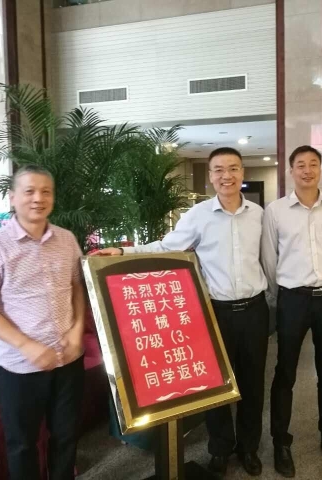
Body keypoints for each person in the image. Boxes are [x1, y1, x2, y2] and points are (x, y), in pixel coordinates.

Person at [92, 147, 269, 477]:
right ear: (211, 176)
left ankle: (249, 447)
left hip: (255, 310)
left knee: (253, 383)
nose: (226, 176)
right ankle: (220, 448)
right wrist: (122, 251)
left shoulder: (259, 214)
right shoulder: (199, 215)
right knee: (217, 385)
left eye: (233, 168)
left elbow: (268, 258)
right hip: (215, 312)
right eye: (219, 170)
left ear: (242, 172)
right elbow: (166, 246)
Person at [0, 165, 86, 480]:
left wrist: (76, 333)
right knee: (22, 445)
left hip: (67, 358)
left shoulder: (67, 239)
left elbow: (77, 287)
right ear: (12, 197)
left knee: (66, 438)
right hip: (18, 365)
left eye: (46, 192)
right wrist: (27, 346)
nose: (38, 198)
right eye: (29, 191)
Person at [261, 145, 322, 478]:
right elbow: (269, 258)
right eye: (301, 165)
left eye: (313, 164)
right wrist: (280, 294)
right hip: (292, 299)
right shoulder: (275, 211)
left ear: (320, 169)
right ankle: (281, 442)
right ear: (291, 171)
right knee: (285, 372)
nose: (307, 170)